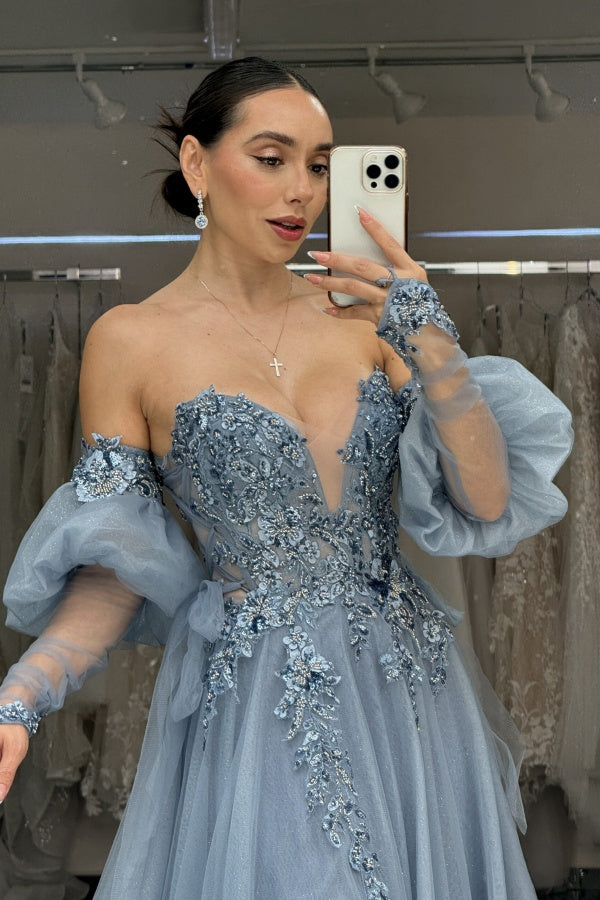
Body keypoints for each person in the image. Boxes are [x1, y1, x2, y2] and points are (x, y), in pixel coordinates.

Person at [0, 57, 572, 899]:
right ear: (197, 164)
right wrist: (22, 694)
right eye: (271, 158)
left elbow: (485, 501)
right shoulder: (130, 341)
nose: (301, 190)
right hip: (264, 700)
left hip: (407, 691)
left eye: (319, 164)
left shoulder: (368, 317)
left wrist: (432, 341)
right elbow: (117, 563)